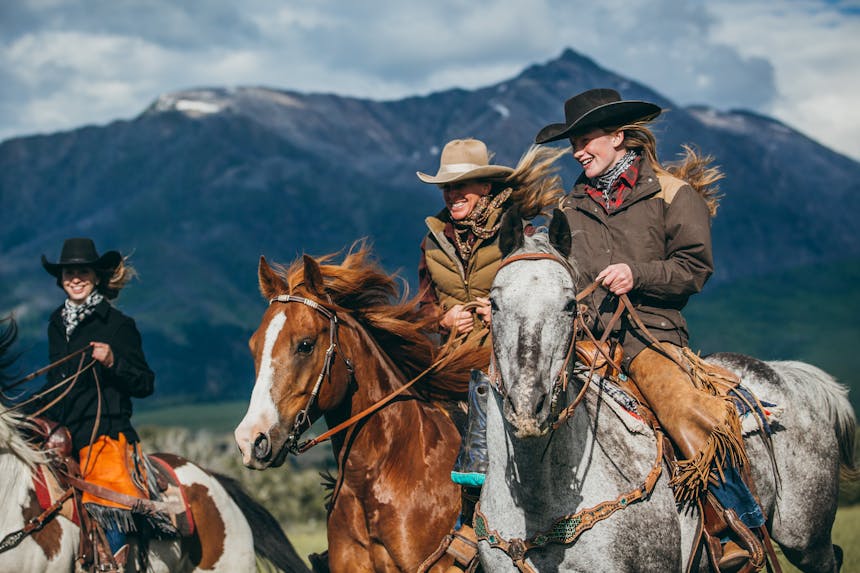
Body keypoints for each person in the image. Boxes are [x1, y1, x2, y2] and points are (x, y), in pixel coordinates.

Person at [535, 89, 764, 571]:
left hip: (649, 337)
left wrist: (638, 274)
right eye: (573, 141)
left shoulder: (673, 194)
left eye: (587, 138)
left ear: (619, 136)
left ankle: (733, 527)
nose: (578, 150)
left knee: (685, 410)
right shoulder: (567, 207)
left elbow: (694, 269)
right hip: (582, 341)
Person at [417, 138, 564, 572]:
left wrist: (494, 309)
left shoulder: (519, 232)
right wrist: (444, 320)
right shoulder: (432, 240)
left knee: (481, 427)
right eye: (447, 187)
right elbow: (424, 303)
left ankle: (472, 525)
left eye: (463, 186)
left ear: (486, 188)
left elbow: (536, 289)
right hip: (450, 357)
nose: (453, 195)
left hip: (504, 356)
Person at [37, 237, 155, 571]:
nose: (75, 277)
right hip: (61, 434)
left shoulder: (118, 326)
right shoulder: (55, 324)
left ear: (97, 277)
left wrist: (113, 360)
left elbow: (145, 383)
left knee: (108, 499)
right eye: (69, 272)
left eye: (83, 271)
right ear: (61, 278)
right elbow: (55, 384)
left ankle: (112, 567)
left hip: (104, 434)